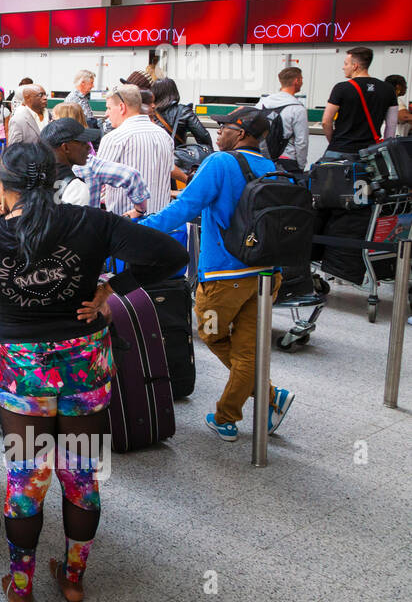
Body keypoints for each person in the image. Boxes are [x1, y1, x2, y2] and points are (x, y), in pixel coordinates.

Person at [0, 141, 187, 602]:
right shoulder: (92, 223)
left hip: (22, 371)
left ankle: (21, 589)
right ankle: (74, 579)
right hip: (84, 363)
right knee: (82, 476)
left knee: (26, 477)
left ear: (2, 187)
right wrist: (110, 289)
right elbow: (170, 255)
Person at [139, 107, 296, 443]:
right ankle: (243, 408)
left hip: (225, 277)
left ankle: (254, 402)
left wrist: (139, 230)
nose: (217, 133)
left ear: (239, 133)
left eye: (222, 127)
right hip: (267, 275)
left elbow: (183, 209)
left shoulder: (219, 163)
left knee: (210, 333)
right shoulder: (271, 168)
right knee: (247, 350)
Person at [41, 118, 150, 215]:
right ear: (66, 148)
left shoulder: (33, 174)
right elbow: (130, 175)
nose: (89, 148)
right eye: (82, 143)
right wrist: (139, 210)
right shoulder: (78, 184)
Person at [96, 84, 175, 216]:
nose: (106, 114)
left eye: (109, 108)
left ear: (121, 107)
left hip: (126, 223)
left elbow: (96, 180)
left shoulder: (114, 138)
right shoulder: (164, 136)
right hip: (161, 223)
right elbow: (169, 171)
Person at [320, 46, 398, 161]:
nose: (343, 67)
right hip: (370, 152)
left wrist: (334, 143)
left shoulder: (341, 88)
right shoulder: (388, 89)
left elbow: (326, 121)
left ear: (355, 66)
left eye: (346, 64)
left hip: (340, 149)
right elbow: (391, 126)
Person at [256, 67, 310, 168]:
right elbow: (301, 142)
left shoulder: (262, 104)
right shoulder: (297, 109)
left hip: (262, 158)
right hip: (287, 161)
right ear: (296, 81)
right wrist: (301, 166)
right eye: (301, 79)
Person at [151, 78, 211, 147]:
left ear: (154, 94)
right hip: (177, 155)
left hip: (154, 154)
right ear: (174, 92)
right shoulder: (183, 111)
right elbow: (203, 136)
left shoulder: (149, 112)